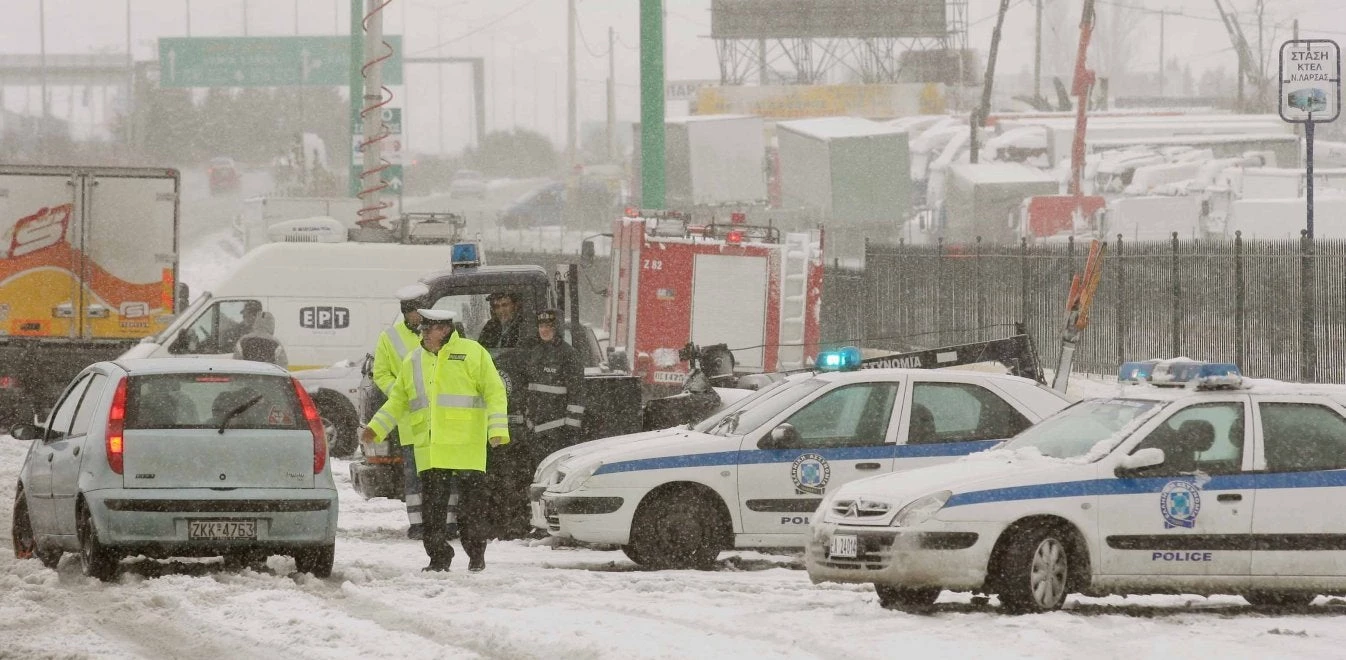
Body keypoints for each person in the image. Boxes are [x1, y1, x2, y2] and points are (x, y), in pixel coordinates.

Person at [361, 308, 510, 573]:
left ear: (443, 330)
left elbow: (495, 392)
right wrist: (376, 428)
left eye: (427, 330)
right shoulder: (414, 360)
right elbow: (399, 400)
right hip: (431, 448)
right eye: (422, 330)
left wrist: (497, 429)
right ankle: (439, 557)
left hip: (467, 445)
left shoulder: (472, 353)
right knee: (432, 511)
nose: (422, 334)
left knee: (471, 509)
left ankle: (476, 554)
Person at [373, 284, 429, 540]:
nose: (416, 316)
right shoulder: (390, 337)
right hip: (410, 421)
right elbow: (381, 373)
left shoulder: (437, 332)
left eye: (419, 310)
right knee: (414, 477)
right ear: (406, 312)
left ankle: (445, 523)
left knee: (441, 475)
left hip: (438, 419)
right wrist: (400, 390)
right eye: (412, 311)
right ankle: (417, 523)